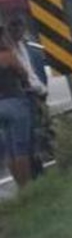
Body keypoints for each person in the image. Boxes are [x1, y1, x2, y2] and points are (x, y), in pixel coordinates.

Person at [0, 20, 34, 189]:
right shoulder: (7, 55)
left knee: (9, 149)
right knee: (20, 147)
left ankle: (19, 186)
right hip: (15, 101)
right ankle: (26, 187)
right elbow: (23, 73)